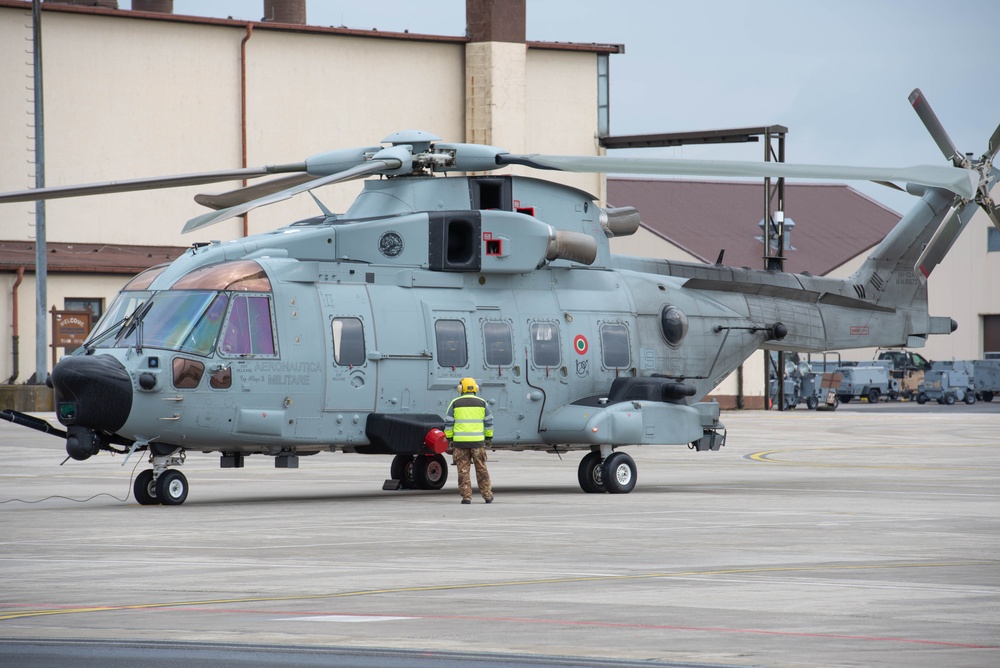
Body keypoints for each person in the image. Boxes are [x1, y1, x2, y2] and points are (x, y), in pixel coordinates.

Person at [444, 377, 494, 504]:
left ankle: (466, 497)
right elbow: (489, 422)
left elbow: (448, 423)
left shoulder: (455, 403)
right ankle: (487, 496)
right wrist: (488, 437)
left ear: (461, 389)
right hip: (477, 443)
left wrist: (449, 438)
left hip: (460, 444)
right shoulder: (482, 403)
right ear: (475, 389)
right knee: (482, 469)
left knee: (463, 471)